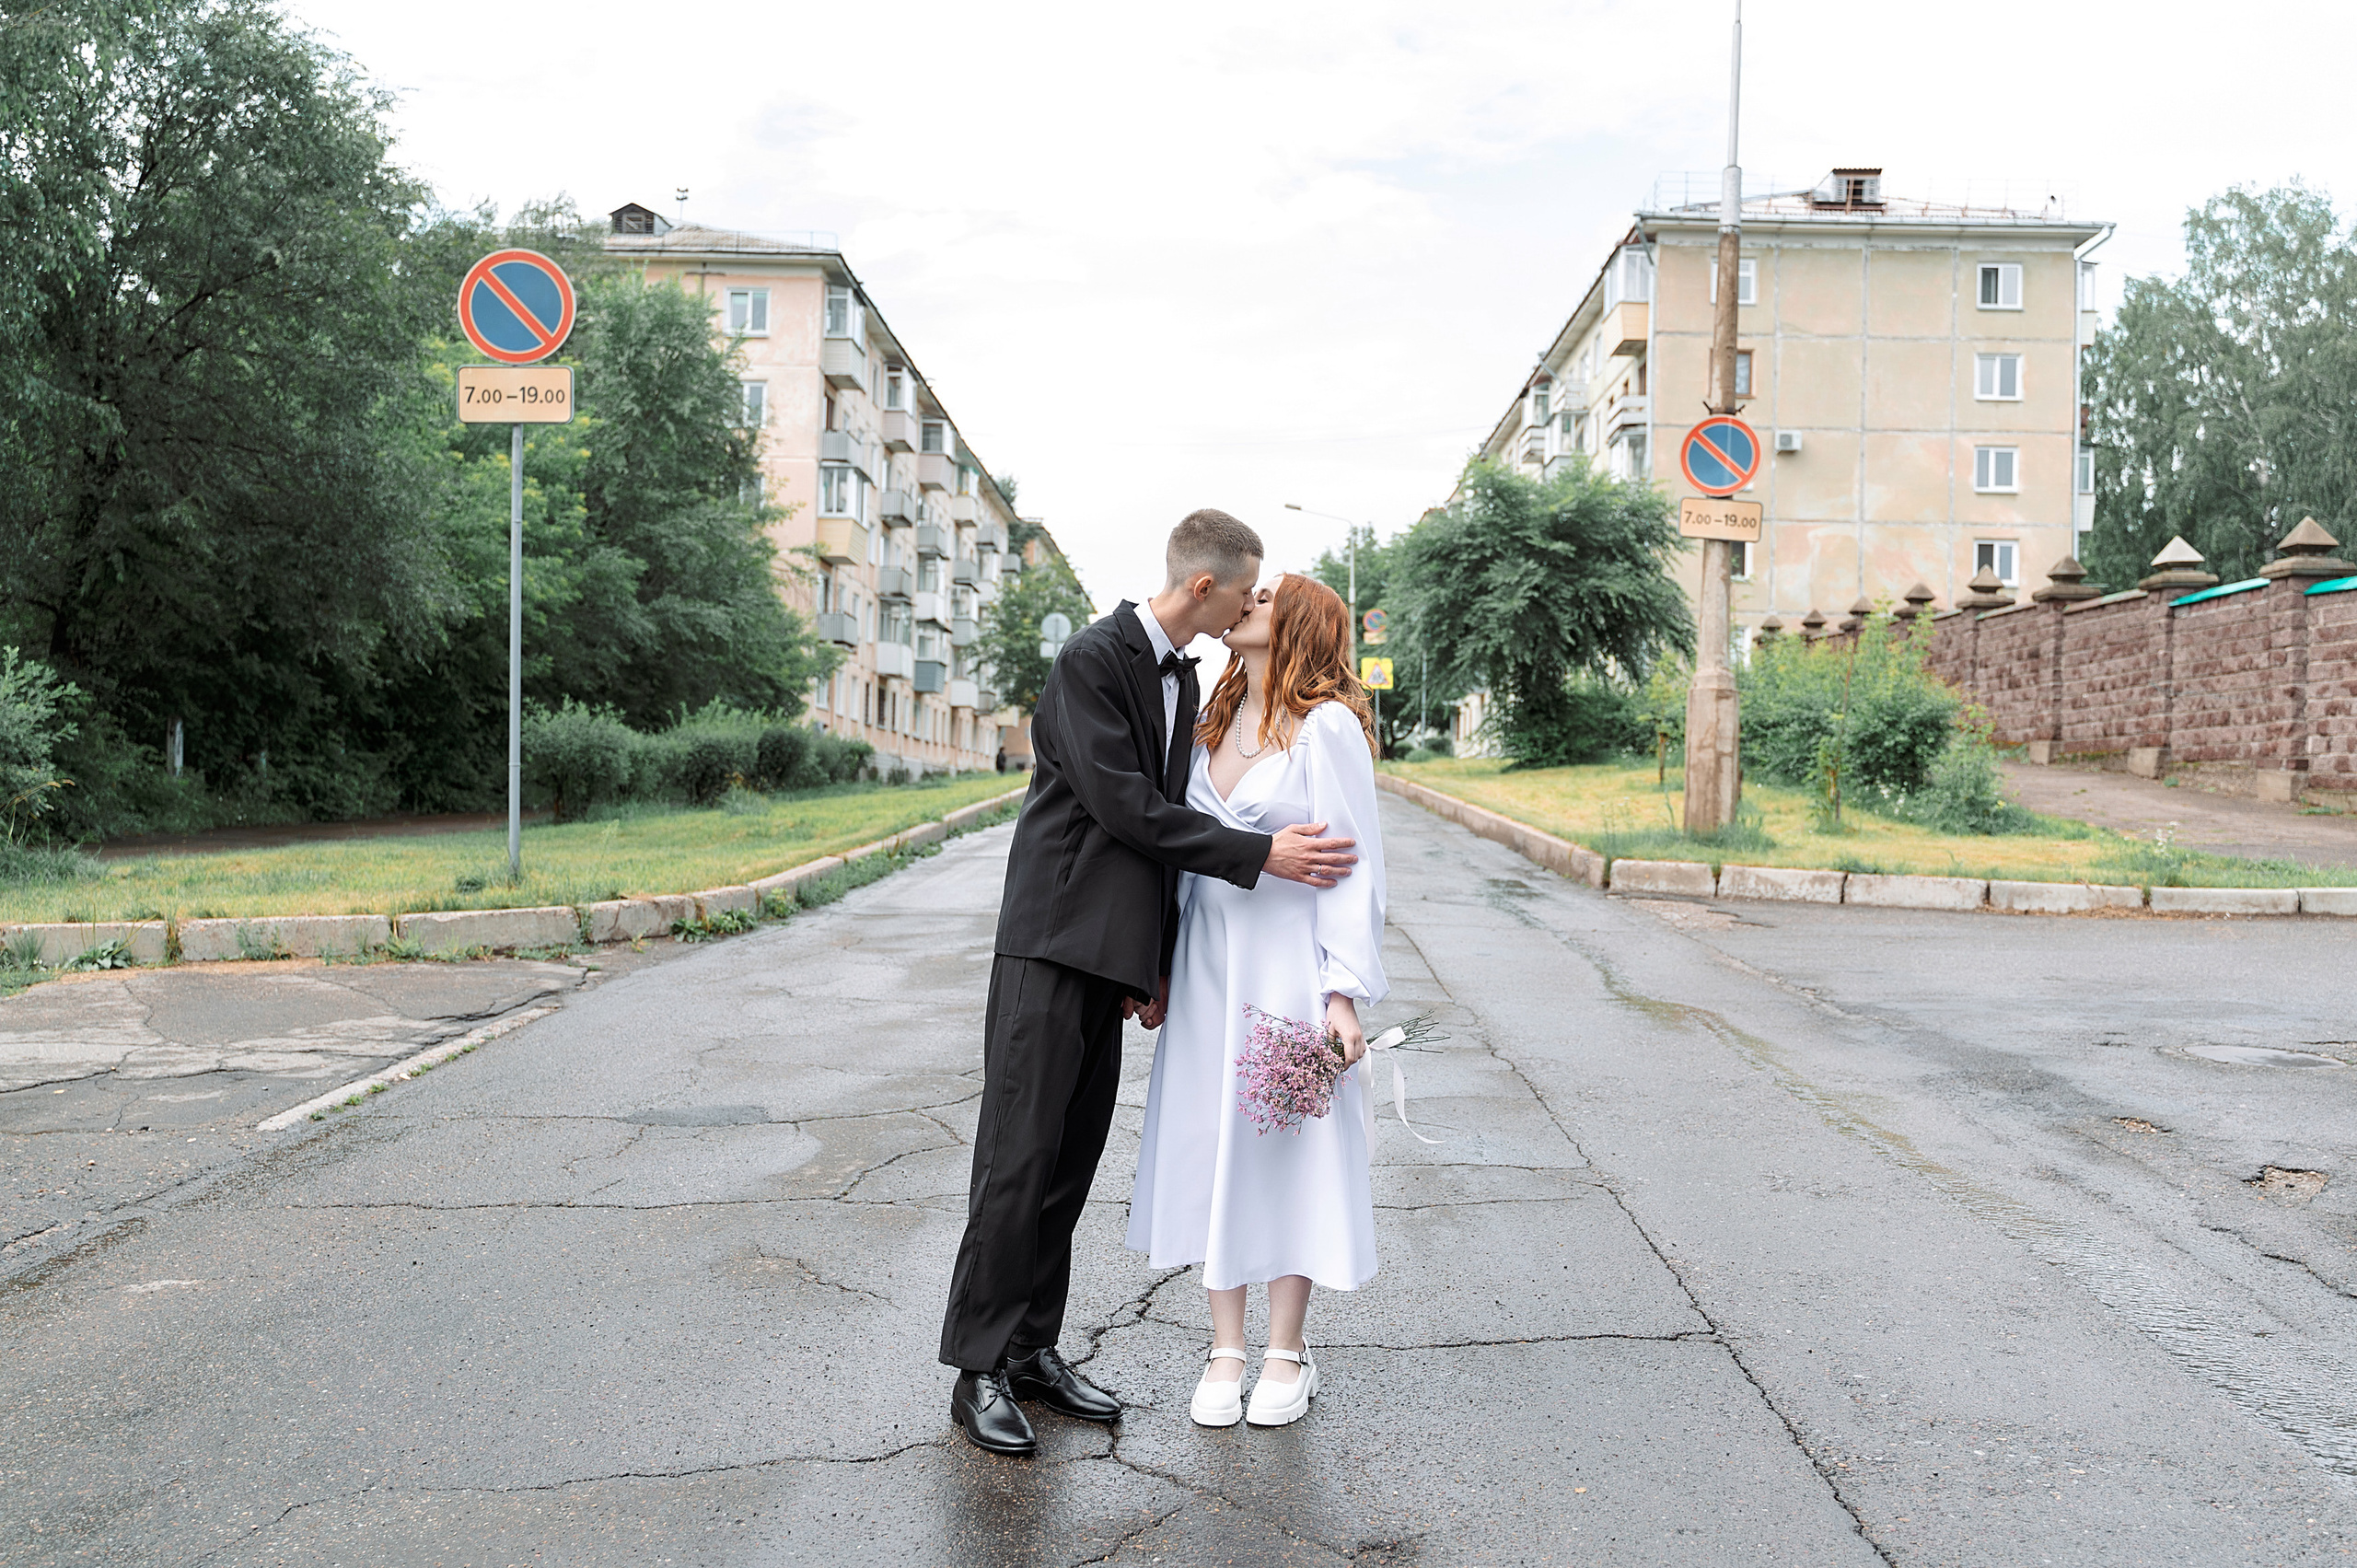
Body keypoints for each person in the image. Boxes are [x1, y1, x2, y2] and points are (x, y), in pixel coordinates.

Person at [938, 510, 1361, 1457]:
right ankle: (977, 1367)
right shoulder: (1092, 658)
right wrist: (1261, 852)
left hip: (1114, 954)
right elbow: (1127, 808)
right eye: (1243, 594)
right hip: (1051, 939)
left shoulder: (1189, 682)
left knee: (1068, 1161)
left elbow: (1168, 828)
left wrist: (1155, 960)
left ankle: (1032, 1348)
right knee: (1017, 1157)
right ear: (1203, 588)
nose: (1247, 609)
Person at [1126, 572, 1386, 1428]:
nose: (1248, 603)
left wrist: (1341, 993)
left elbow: (1355, 868)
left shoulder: (1329, 728)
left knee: (1285, 1148)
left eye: (1267, 598)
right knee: (1212, 1141)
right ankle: (1223, 1347)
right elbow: (1174, 850)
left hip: (1287, 967)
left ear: (1303, 624)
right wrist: (1155, 961)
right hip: (1206, 966)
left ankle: (1285, 1349)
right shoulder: (1204, 722)